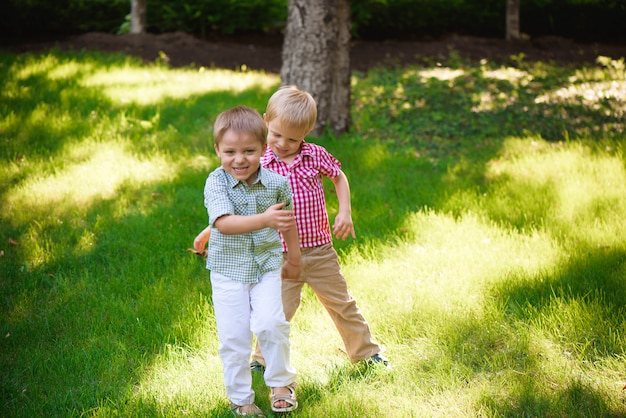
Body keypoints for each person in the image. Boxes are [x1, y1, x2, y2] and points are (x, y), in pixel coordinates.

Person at [249, 85, 389, 370]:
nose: (283, 143)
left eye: (293, 138)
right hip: (281, 254)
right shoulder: (260, 161)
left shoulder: (315, 155)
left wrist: (345, 211)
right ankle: (261, 360)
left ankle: (366, 353)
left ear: (306, 134)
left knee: (342, 303)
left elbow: (339, 177)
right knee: (277, 312)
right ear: (265, 120)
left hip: (320, 250)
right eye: (276, 134)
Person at [194, 105, 300, 416]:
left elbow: (286, 222)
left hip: (267, 266)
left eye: (249, 151)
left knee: (271, 323)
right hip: (228, 271)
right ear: (217, 150)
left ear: (264, 148)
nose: (239, 159)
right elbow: (224, 223)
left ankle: (281, 383)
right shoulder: (216, 182)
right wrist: (265, 220)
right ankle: (242, 400)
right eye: (230, 151)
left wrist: (293, 258)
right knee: (234, 337)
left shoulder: (277, 183)